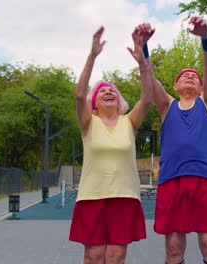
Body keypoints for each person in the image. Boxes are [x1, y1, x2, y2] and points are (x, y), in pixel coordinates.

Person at [135, 16, 207, 264]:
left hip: (206, 180)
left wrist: (206, 38)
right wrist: (144, 47)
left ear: (200, 87)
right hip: (172, 181)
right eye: (184, 75)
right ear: (175, 86)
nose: (190, 77)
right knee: (174, 248)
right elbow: (150, 78)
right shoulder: (167, 106)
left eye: (194, 77)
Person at [69, 26, 153, 264]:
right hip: (92, 197)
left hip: (124, 196)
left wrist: (142, 63)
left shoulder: (130, 123)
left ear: (118, 102)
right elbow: (78, 96)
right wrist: (92, 55)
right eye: (103, 91)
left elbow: (147, 99)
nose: (108, 91)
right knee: (94, 256)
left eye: (112, 91)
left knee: (116, 256)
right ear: (94, 104)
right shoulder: (88, 123)